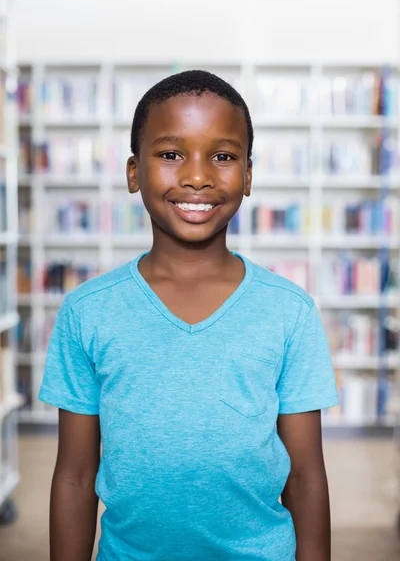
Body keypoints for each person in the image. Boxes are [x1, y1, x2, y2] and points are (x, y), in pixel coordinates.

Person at [39, 70, 339, 561]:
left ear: (247, 176)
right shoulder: (88, 311)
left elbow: (306, 476)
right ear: (134, 173)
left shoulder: (290, 311)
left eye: (222, 156)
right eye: (171, 154)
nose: (197, 176)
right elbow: (73, 475)